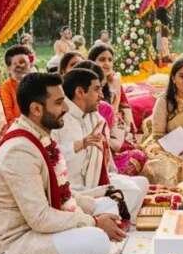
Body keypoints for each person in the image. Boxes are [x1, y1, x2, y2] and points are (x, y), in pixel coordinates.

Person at [0, 72, 126, 254]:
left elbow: (59, 191)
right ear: (36, 109)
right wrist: (93, 221)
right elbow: (40, 218)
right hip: (14, 244)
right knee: (97, 240)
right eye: (58, 103)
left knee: (106, 204)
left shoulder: (38, 136)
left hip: (35, 231)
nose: (66, 108)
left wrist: (92, 208)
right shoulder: (19, 150)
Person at [54, 66, 148, 218]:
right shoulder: (63, 120)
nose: (102, 95)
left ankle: (119, 225)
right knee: (131, 191)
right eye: (97, 89)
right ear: (80, 92)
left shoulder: (95, 117)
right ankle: (110, 225)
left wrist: (111, 175)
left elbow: (105, 157)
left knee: (141, 183)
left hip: (96, 179)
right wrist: (81, 144)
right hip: (77, 188)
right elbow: (55, 157)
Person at [141, 58, 183, 185]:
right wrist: (173, 148)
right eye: (182, 76)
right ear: (173, 78)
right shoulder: (164, 101)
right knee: (162, 168)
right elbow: (158, 135)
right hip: (166, 148)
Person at [89, 44, 147, 175]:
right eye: (102, 59)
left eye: (110, 60)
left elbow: (120, 110)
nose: (107, 63)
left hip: (114, 132)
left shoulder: (114, 82)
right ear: (92, 61)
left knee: (140, 155)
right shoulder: (86, 84)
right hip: (96, 137)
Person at [1, 45, 34, 125]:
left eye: (23, 62)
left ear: (30, 65)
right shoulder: (7, 87)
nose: (20, 66)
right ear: (8, 69)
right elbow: (9, 116)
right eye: (15, 64)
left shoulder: (36, 82)